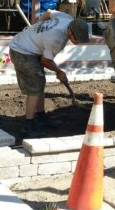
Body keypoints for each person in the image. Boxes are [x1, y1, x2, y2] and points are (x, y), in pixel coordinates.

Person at [9, 9, 89, 137]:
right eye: (76, 39)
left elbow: (48, 12)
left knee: (40, 81)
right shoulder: (56, 39)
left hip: (30, 48)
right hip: (21, 51)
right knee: (35, 84)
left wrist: (37, 27)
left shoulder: (66, 17)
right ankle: (28, 125)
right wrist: (59, 71)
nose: (78, 42)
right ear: (70, 31)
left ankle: (41, 117)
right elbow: (45, 60)